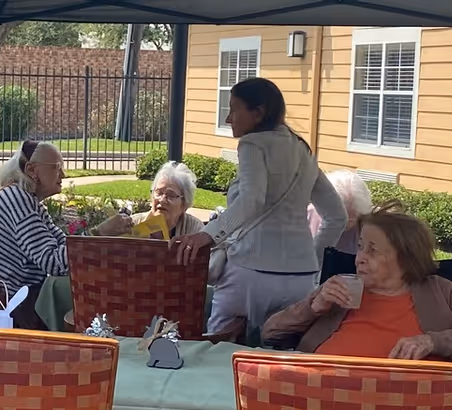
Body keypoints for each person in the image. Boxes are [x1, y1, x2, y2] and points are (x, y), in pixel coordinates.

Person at [177, 78, 346, 339]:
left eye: (234, 109)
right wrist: (311, 256)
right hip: (301, 277)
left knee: (218, 350)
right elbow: (336, 215)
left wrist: (207, 235)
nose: (228, 118)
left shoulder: (252, 144)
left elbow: (252, 199)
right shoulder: (303, 150)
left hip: (249, 273)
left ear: (258, 112)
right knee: (282, 355)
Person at [261, 211, 452, 359]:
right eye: (360, 246)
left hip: (407, 407)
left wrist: (434, 341)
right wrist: (313, 307)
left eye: (372, 250)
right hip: (324, 395)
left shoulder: (439, 290)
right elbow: (270, 334)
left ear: (405, 258)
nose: (360, 258)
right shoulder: (343, 288)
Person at [0, 139, 70, 328]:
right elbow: (54, 263)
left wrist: (95, 237)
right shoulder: (17, 201)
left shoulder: (30, 203)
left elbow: (63, 245)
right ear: (31, 170)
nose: (63, 174)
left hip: (9, 302)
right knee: (85, 296)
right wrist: (99, 235)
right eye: (56, 167)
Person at [91, 160, 204, 240]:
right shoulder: (132, 224)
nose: (162, 200)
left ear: (184, 204)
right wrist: (102, 231)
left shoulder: (195, 230)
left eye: (170, 195)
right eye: (158, 193)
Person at [312, 169, 373, 281]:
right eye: (342, 215)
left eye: (353, 216)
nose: (347, 222)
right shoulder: (307, 217)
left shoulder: (369, 228)